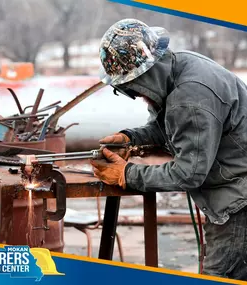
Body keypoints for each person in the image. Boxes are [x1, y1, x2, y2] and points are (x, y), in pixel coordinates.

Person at [90, 18, 247, 281]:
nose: (137, 96)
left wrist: (126, 174)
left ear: (145, 76)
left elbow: (189, 173)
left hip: (239, 203)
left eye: (133, 89)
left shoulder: (191, 99)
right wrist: (130, 138)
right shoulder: (176, 68)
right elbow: (170, 128)